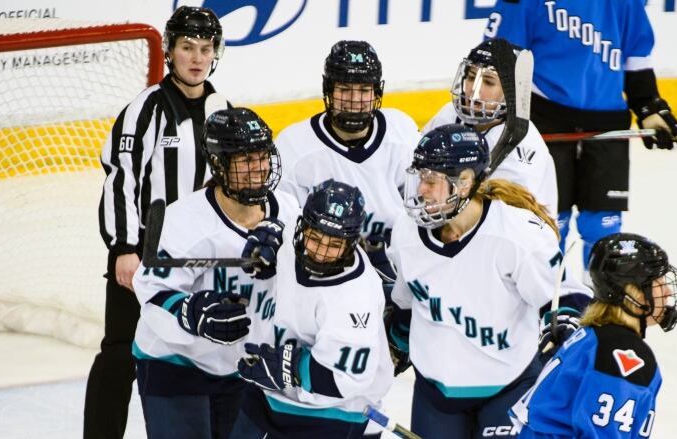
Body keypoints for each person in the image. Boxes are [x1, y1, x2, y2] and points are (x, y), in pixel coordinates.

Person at [386, 124, 591, 438]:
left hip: (507, 389)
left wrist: (565, 325)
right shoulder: (405, 231)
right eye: (420, 178)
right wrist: (393, 345)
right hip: (435, 397)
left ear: (465, 183)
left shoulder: (515, 233)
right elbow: (406, 304)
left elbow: (568, 296)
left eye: (431, 181)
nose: (421, 191)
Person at [87, 6, 226, 438]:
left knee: (191, 358)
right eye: (188, 47)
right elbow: (120, 177)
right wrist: (123, 249)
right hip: (144, 259)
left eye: (206, 49)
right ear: (170, 51)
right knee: (120, 356)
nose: (197, 58)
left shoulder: (224, 109)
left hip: (200, 264)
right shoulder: (145, 109)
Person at [483, 0, 677, 282]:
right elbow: (499, 57)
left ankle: (601, 313)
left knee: (603, 227)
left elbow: (636, 52)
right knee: (550, 225)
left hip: (607, 124)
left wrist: (647, 105)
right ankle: (551, 309)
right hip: (544, 122)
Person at [131, 108, 300, 438]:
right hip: (175, 364)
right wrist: (191, 312)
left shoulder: (289, 210)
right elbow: (150, 291)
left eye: (263, 156)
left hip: (245, 367)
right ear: (220, 165)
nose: (259, 168)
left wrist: (289, 259)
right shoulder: (183, 222)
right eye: (246, 159)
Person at [231, 180, 394, 439]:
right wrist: (269, 229)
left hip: (333, 411)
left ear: (351, 244)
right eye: (315, 238)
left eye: (333, 245)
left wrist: (291, 369)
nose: (319, 253)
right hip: (269, 393)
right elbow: (282, 214)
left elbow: (344, 381)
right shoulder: (292, 239)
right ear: (303, 226)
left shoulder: (354, 297)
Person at [274, 40, 421, 296]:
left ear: (377, 92)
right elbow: (285, 222)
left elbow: (424, 210)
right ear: (329, 90)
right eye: (344, 89)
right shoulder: (294, 147)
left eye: (364, 90)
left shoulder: (403, 132)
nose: (355, 101)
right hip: (325, 273)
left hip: (399, 267)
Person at [510, 233, 677, 438]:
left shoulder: (592, 336)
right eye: (658, 282)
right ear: (632, 292)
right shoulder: (622, 355)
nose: (666, 291)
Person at [424, 37, 558, 218]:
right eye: (471, 77)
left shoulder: (525, 148)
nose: (474, 90)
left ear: (511, 92)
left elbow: (511, 220)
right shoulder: (448, 116)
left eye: (488, 82)